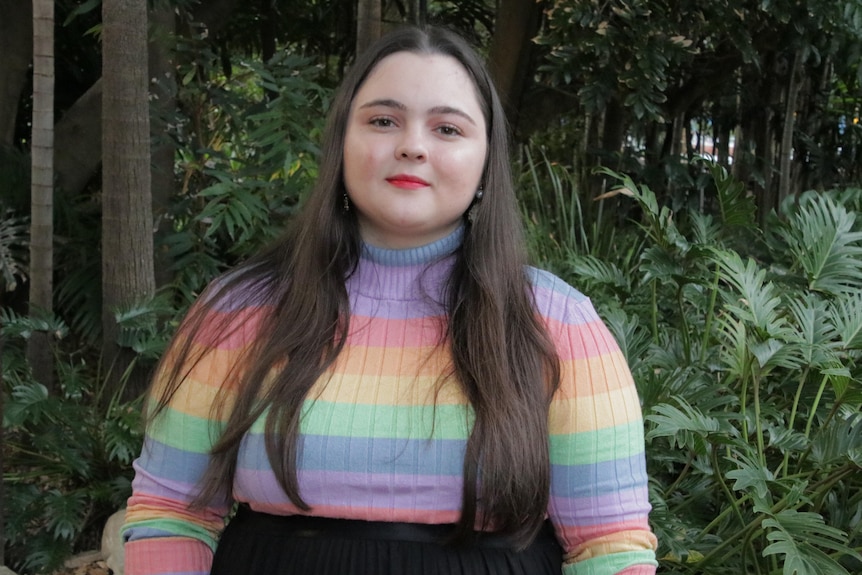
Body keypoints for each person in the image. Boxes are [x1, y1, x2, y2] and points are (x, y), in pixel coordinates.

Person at [122, 25, 658, 575]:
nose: (412, 145)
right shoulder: (240, 310)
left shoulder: (555, 322)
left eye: (447, 128)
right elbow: (170, 514)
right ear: (341, 144)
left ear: (485, 164)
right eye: (383, 120)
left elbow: (609, 544)